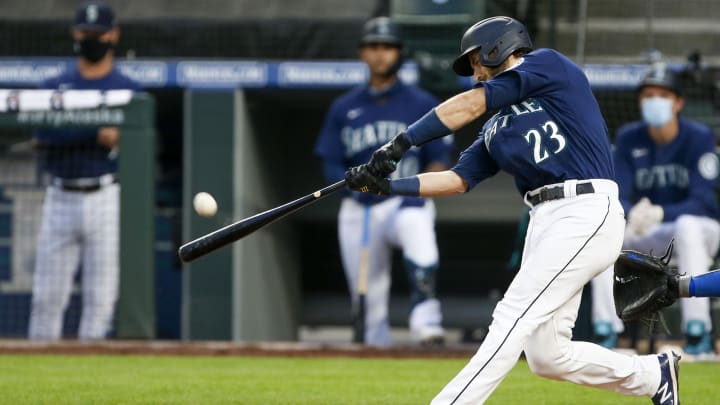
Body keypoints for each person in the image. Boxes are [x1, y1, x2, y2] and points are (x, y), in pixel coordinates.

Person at [345, 16, 680, 405]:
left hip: (585, 208)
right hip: (544, 220)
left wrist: (400, 143)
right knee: (548, 357)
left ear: (497, 48)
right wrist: (388, 186)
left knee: (512, 315)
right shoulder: (497, 126)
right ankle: (651, 375)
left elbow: (471, 103)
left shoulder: (548, 66)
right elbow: (457, 179)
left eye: (475, 62)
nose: (474, 74)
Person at [314, 16, 454, 347]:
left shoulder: (420, 102)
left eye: (387, 47)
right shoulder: (344, 106)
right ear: (363, 54)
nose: (380, 54)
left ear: (399, 53)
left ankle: (427, 322)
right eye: (373, 47)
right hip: (360, 205)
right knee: (366, 287)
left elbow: (439, 156)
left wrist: (420, 189)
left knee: (418, 231)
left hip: (405, 197)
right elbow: (331, 161)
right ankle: (374, 345)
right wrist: (352, 187)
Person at [28, 0, 141, 340]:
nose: (91, 38)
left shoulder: (128, 87)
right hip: (61, 193)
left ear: (113, 35)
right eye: (85, 32)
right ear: (75, 34)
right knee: (47, 297)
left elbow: (137, 140)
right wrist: (95, 129)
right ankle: (38, 375)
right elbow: (43, 133)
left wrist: (68, 128)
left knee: (101, 299)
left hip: (105, 195)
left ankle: (91, 377)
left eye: (98, 32)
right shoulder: (54, 84)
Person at [591, 65, 720, 355]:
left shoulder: (698, 136)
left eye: (662, 95)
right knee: (606, 231)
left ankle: (697, 331)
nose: (654, 101)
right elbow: (616, 193)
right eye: (648, 95)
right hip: (646, 230)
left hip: (698, 232)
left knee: (688, 224)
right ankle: (607, 331)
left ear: (678, 102)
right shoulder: (628, 137)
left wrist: (661, 212)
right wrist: (631, 213)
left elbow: (703, 202)